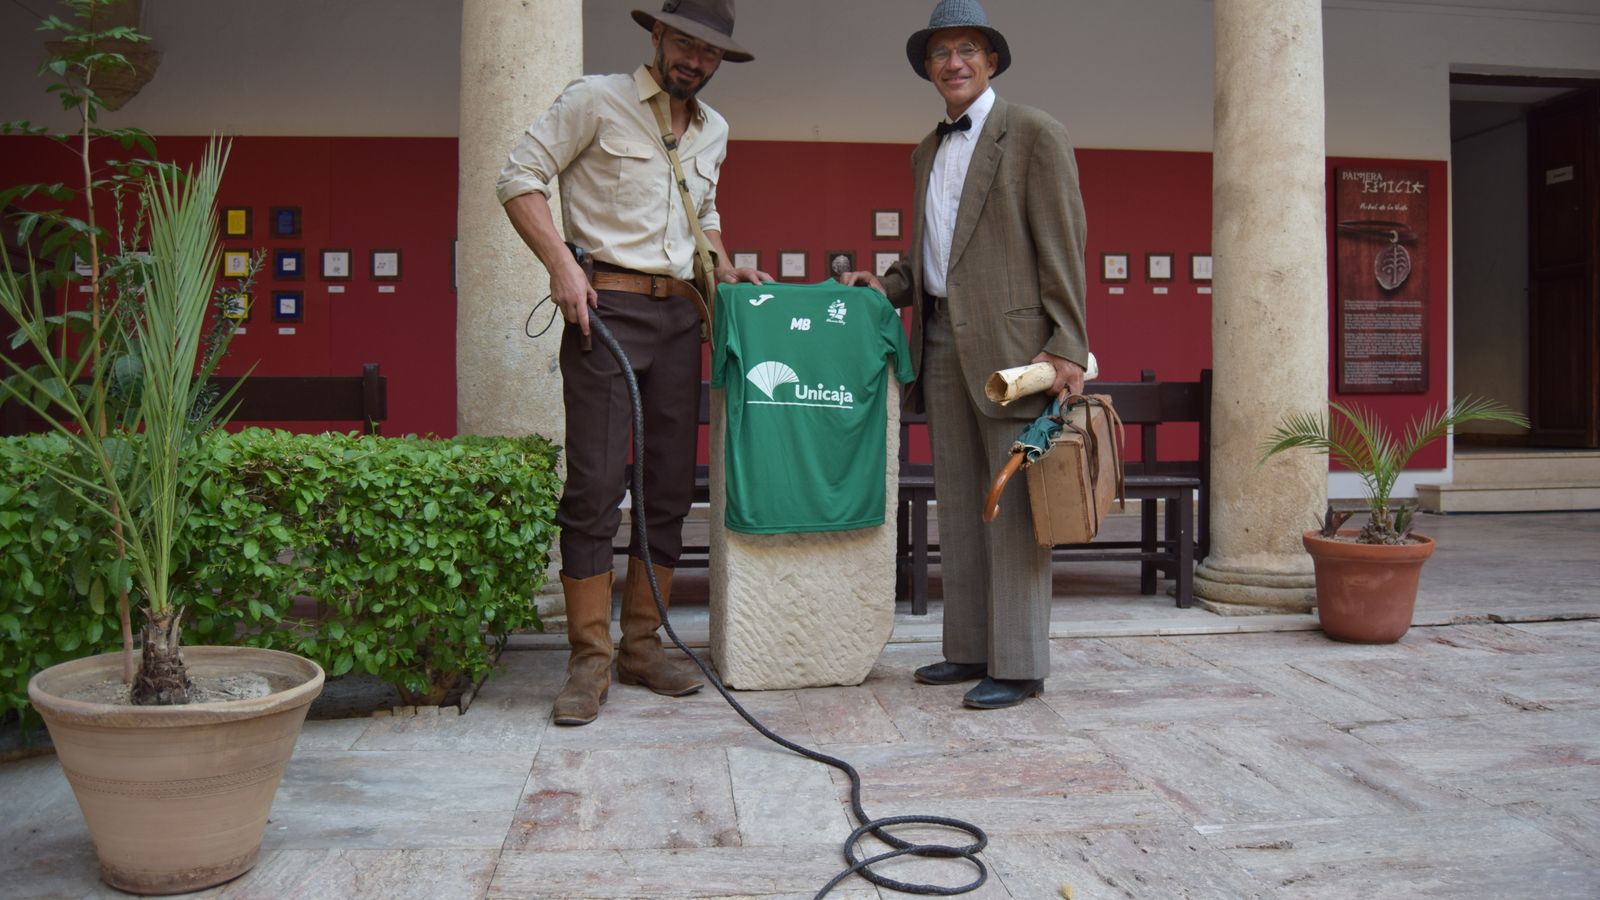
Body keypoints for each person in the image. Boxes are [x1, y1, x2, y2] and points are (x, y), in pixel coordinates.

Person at [496, 0, 771, 727]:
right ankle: (590, 658)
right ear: (656, 34)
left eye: (710, 53)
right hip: (605, 311)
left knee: (670, 486)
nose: (695, 60)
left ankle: (643, 643)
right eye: (684, 42)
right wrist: (560, 264)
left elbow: (701, 216)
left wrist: (726, 264)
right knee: (592, 485)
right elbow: (518, 178)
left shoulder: (715, 131)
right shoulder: (595, 99)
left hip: (683, 317)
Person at [841, 0, 1089, 710]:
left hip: (1017, 352)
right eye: (941, 52)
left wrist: (1067, 343)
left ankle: (1019, 663)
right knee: (960, 499)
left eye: (968, 50)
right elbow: (929, 253)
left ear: (992, 61)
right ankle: (969, 649)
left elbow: (1064, 244)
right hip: (941, 339)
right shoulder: (926, 150)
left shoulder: (1035, 133)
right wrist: (884, 285)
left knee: (1010, 503)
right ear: (927, 68)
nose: (954, 62)